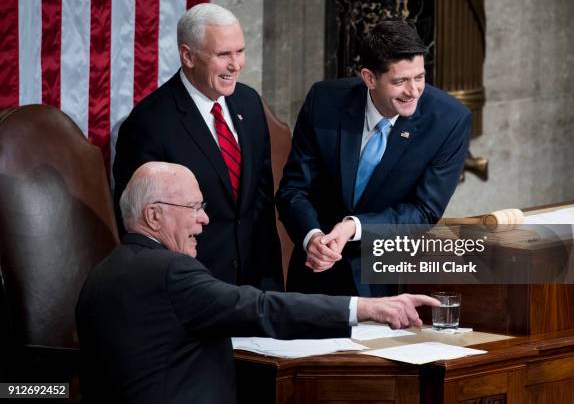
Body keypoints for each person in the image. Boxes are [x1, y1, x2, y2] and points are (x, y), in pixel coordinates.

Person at [76, 162, 440, 404]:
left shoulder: (101, 274)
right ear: (154, 215)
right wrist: (369, 307)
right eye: (194, 208)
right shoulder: (170, 272)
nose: (204, 219)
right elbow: (261, 307)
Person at [276, 21, 472, 297]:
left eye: (419, 77)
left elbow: (424, 211)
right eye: (400, 81)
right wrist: (312, 238)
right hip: (316, 277)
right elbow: (294, 189)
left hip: (386, 284)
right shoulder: (324, 101)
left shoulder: (449, 120)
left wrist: (354, 227)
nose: (413, 91)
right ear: (369, 78)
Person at [113, 3, 282, 291]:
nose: (236, 64)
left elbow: (261, 203)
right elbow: (142, 229)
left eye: (240, 51)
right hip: (192, 290)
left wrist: (272, 286)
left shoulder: (249, 103)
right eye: (223, 54)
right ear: (188, 56)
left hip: (256, 288)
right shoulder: (149, 124)